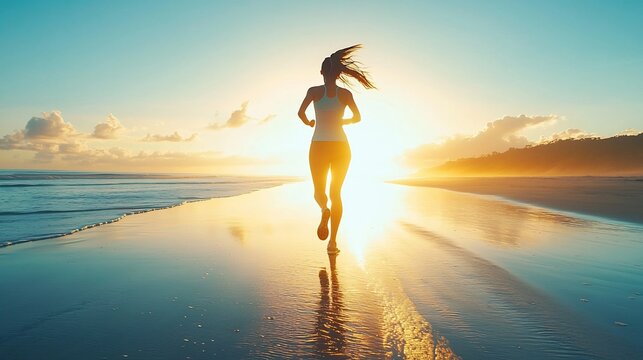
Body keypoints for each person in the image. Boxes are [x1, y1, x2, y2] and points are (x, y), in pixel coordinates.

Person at [297, 44, 375, 254]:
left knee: (319, 192)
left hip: (318, 146)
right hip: (341, 147)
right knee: (336, 193)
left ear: (322, 72)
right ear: (339, 74)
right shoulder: (345, 94)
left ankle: (324, 210)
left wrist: (310, 123)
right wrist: (343, 122)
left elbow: (300, 113)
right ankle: (333, 243)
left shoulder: (313, 92)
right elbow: (358, 117)